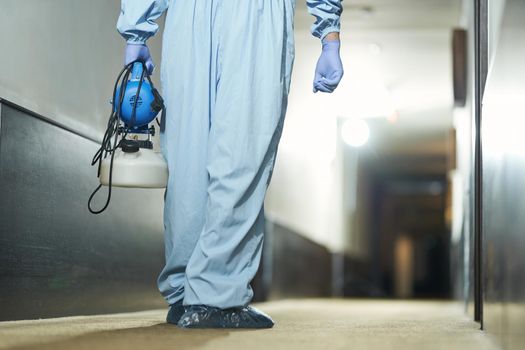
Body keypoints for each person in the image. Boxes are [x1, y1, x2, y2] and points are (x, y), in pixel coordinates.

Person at [117, 0, 343, 329]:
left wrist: (136, 33)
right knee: (242, 150)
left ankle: (184, 293)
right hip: (256, 14)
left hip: (188, 16)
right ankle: (214, 296)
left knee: (188, 156)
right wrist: (330, 34)